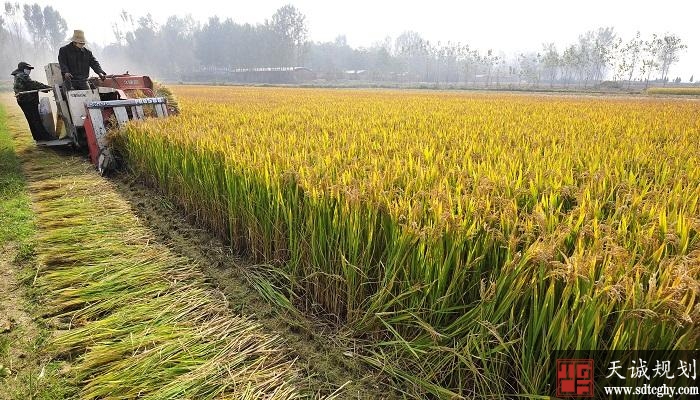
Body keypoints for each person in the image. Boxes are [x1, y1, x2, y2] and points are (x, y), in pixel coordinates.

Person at [11, 61, 55, 142]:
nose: (29, 70)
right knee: (36, 119)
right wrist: (47, 87)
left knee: (31, 120)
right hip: (27, 101)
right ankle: (46, 137)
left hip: (24, 101)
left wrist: (44, 89)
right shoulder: (21, 75)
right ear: (22, 68)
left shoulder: (18, 75)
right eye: (27, 68)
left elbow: (29, 86)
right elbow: (33, 84)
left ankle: (38, 137)